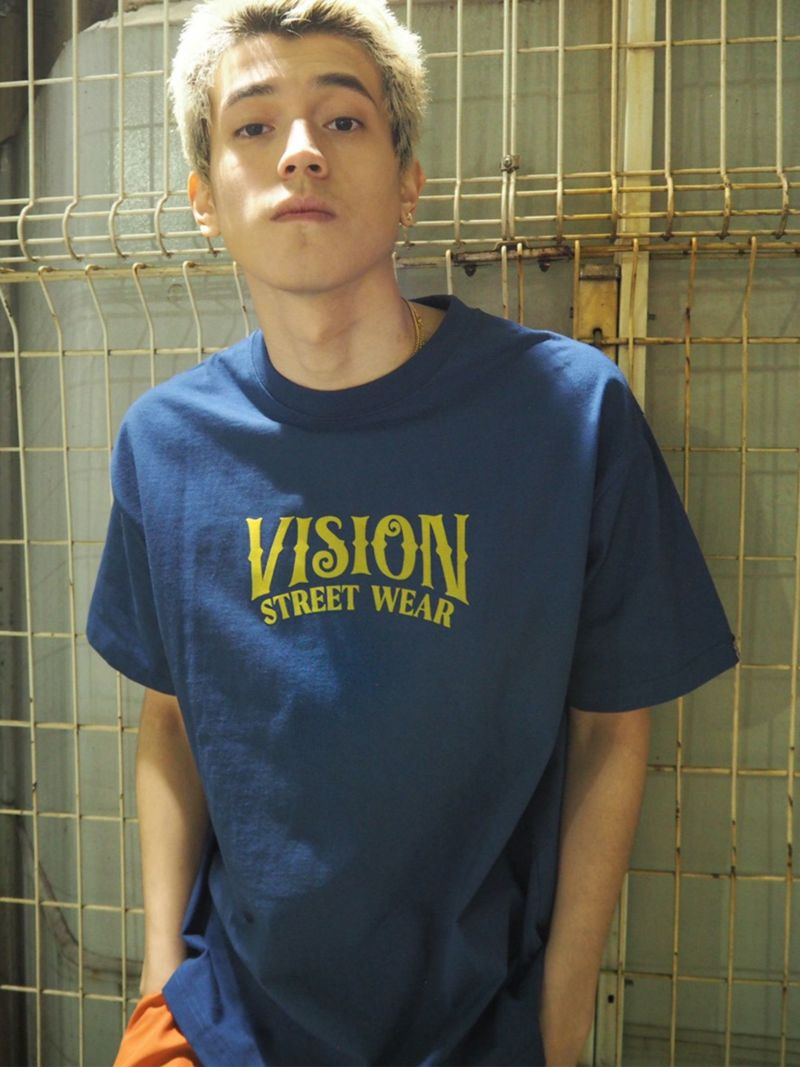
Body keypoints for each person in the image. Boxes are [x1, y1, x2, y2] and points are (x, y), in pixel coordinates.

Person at [86, 1, 739, 1064]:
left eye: (343, 120)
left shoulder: (568, 415)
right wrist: (162, 974)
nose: (300, 151)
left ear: (407, 184)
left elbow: (611, 732)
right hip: (219, 1023)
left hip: (478, 1028)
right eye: (254, 125)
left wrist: (559, 1024)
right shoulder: (165, 445)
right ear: (205, 199)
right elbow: (169, 719)